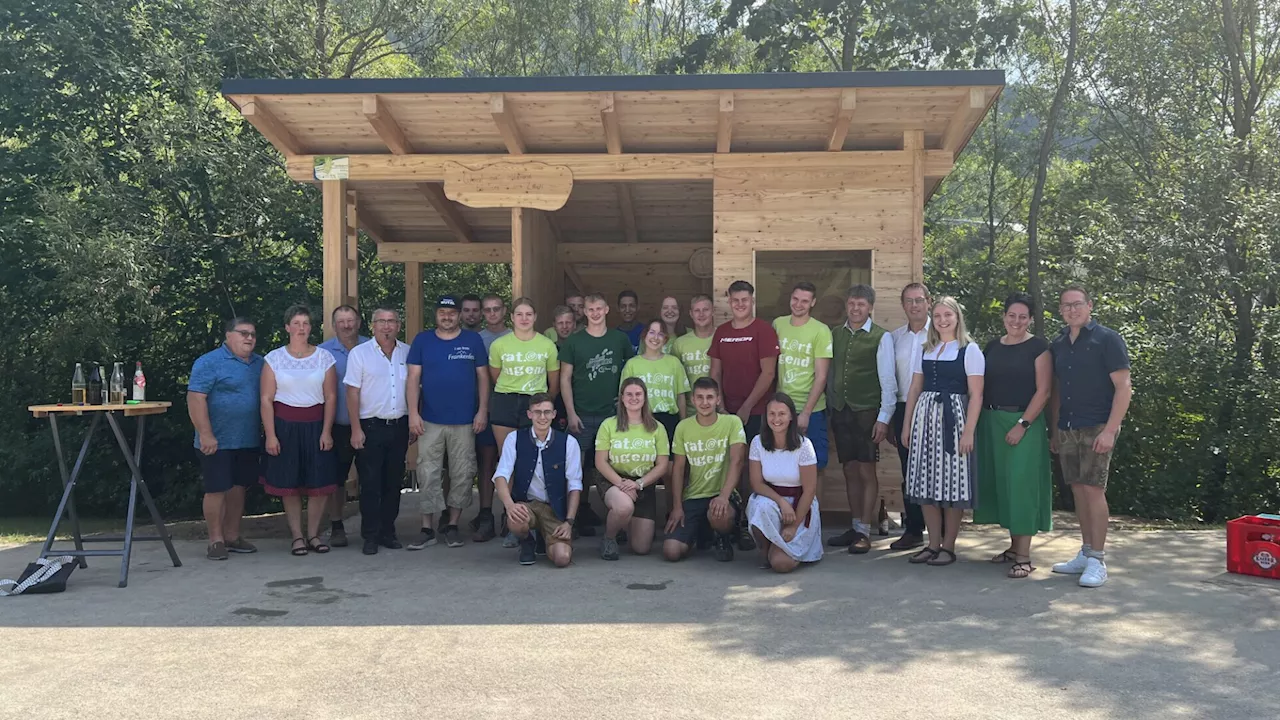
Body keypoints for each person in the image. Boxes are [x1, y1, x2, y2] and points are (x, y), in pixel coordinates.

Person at [1048, 286, 1131, 588]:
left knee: (1094, 489)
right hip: (1068, 426)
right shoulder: (1058, 343)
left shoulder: (1107, 339)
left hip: (1097, 425)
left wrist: (1110, 430)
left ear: (1089, 306)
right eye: (1066, 305)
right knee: (1079, 490)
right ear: (1060, 310)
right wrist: (1055, 428)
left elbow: (1124, 388)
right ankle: (1085, 552)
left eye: (1077, 304)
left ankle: (1098, 559)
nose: (1072, 310)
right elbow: (1056, 389)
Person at [900, 296, 985, 567]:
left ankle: (948, 546)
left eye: (947, 315)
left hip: (954, 419)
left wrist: (969, 431)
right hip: (925, 418)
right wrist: (907, 425)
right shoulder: (926, 348)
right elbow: (914, 389)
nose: (942, 320)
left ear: (957, 317)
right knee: (925, 480)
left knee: (951, 483)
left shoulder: (969, 349)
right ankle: (933, 544)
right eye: (937, 316)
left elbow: (976, 394)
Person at [975, 293, 1053, 579]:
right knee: (1003, 485)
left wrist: (1023, 424)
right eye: (1012, 315)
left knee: (1021, 486)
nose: (1016, 321)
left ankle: (1023, 556)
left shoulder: (1039, 347)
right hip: (991, 421)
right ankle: (1012, 547)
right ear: (1004, 316)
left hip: (1024, 424)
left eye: (1023, 316)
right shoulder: (992, 346)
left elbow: (1043, 391)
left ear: (1030, 319)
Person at [407, 295, 489, 550]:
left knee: (462, 473)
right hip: (430, 420)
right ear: (436, 315)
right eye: (442, 312)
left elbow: (483, 378)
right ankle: (427, 528)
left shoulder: (472, 340)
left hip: (465, 420)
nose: (447, 316)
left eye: (452, 313)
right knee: (428, 472)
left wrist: (482, 411)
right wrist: (413, 413)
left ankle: (453, 525)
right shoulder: (422, 340)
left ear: (459, 316)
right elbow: (412, 378)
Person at [260, 305, 339, 556]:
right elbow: (265, 399)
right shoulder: (274, 359)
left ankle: (314, 534)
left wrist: (326, 431)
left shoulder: (324, 357)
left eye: (305, 323)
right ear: (287, 327)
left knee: (318, 483)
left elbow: (331, 396)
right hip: (285, 427)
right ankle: (297, 536)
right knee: (289, 484)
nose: (301, 328)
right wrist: (271, 435)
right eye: (296, 323)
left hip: (316, 425)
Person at [826, 284, 897, 554]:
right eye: (852, 304)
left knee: (867, 470)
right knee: (849, 469)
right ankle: (855, 526)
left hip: (868, 412)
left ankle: (865, 530)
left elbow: (888, 381)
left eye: (861, 305)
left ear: (870, 308)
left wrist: (884, 418)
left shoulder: (881, 337)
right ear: (847, 305)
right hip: (842, 411)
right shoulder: (835, 334)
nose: (856, 309)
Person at [709, 280, 779, 551]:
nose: (740, 304)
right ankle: (727, 524)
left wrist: (748, 406)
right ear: (729, 301)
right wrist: (721, 406)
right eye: (735, 300)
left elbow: (769, 373)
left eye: (744, 300)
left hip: (757, 412)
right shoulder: (722, 332)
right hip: (726, 412)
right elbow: (715, 372)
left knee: (753, 470)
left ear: (752, 300)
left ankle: (754, 525)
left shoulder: (763, 330)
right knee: (728, 467)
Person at [188, 317, 264, 561]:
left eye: (252, 334)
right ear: (228, 336)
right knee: (216, 488)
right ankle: (215, 541)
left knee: (239, 487)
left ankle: (232, 536)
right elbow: (195, 398)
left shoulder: (260, 364)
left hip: (247, 438)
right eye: (243, 333)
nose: (249, 338)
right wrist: (206, 433)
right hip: (216, 440)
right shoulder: (209, 362)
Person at [559, 293, 634, 536]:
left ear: (607, 310)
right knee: (576, 468)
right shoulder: (574, 341)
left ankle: (620, 516)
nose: (594, 313)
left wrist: (622, 397)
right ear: (585, 312)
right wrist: (570, 413)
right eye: (590, 309)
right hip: (580, 414)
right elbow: (565, 379)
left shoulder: (618, 339)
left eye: (599, 308)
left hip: (611, 416)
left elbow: (630, 371)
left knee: (615, 466)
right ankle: (574, 515)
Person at [344, 307, 411, 556]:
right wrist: (355, 429)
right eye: (381, 322)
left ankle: (388, 531)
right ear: (372, 326)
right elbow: (352, 392)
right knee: (370, 483)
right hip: (370, 426)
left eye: (391, 321)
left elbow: (415, 389)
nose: (386, 326)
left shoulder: (407, 352)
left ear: (398, 325)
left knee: (393, 483)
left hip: (399, 425)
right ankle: (370, 535)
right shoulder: (359, 354)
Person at [491, 393, 582, 567]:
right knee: (516, 520)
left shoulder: (568, 443)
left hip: (554, 510)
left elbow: (575, 485)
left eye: (547, 412)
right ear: (529, 414)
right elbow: (501, 476)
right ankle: (527, 541)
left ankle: (544, 537)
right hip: (528, 505)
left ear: (554, 414)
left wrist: (569, 522)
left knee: (562, 559)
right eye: (537, 412)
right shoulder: (514, 439)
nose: (542, 417)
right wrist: (510, 505)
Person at [664, 378, 745, 563]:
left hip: (722, 495)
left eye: (710, 397)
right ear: (692, 399)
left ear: (718, 400)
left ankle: (722, 537)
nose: (705, 402)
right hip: (693, 496)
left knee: (719, 514)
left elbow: (737, 461)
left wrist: (724, 496)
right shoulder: (683, 427)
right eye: (700, 397)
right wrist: (676, 507)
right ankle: (700, 533)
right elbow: (678, 469)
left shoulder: (732, 422)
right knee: (671, 551)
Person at [595, 378, 670, 560]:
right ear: (621, 398)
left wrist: (638, 484)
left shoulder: (657, 428)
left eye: (638, 394)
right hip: (614, 478)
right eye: (629, 394)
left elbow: (662, 465)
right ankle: (609, 537)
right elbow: (600, 462)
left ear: (645, 398)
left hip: (643, 482)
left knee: (641, 548)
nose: (633, 398)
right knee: (623, 506)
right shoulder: (608, 425)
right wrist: (622, 484)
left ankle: (623, 524)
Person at [747, 393, 823, 573]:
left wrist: (794, 525)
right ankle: (766, 548)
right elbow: (757, 483)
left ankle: (783, 550)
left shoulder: (804, 445)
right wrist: (781, 502)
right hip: (772, 501)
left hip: (800, 505)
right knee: (760, 505)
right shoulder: (758, 442)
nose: (776, 419)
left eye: (782, 414)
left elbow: (810, 489)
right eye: (771, 414)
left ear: (791, 417)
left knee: (781, 565)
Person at [318, 305, 369, 548]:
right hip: (338, 425)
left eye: (351, 321)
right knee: (335, 479)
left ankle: (372, 526)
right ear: (334, 324)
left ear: (359, 323)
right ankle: (337, 525)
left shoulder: (373, 347)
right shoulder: (322, 353)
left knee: (372, 478)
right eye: (342, 321)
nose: (347, 325)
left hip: (371, 424)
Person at [887, 283, 931, 551]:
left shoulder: (941, 334)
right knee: (909, 471)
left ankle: (941, 534)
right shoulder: (894, 338)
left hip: (933, 407)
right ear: (903, 305)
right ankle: (914, 529)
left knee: (936, 470)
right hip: (903, 408)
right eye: (909, 301)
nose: (914, 305)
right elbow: (889, 379)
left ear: (929, 301)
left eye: (919, 300)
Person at [772, 281, 833, 469]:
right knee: (782, 463)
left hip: (811, 410)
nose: (798, 305)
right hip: (782, 408)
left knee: (815, 466)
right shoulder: (778, 324)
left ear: (813, 303)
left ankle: (814, 501)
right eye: (795, 299)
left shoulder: (821, 330)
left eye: (804, 301)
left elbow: (821, 376)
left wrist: (806, 412)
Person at [489, 297, 560, 450]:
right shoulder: (498, 345)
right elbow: (495, 376)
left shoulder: (547, 345)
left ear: (535, 317)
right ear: (512, 317)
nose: (524, 318)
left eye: (528, 314)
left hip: (535, 400)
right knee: (506, 454)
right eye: (519, 314)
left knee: (532, 454)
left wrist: (543, 402)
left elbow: (554, 383)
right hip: (505, 400)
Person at [473, 293, 512, 542]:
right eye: (487, 310)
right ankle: (485, 514)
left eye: (496, 309)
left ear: (504, 310)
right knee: (486, 462)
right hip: (485, 408)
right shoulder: (476, 340)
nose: (492, 314)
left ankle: (511, 514)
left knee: (511, 461)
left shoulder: (515, 337)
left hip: (510, 407)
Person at [620, 320, 690, 444]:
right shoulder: (632, 364)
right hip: (640, 418)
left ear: (665, 339)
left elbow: (681, 396)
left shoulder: (674, 363)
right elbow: (624, 397)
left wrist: (683, 425)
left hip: (668, 419)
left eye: (660, 334)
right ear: (644, 335)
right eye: (652, 332)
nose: (655, 338)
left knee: (669, 460)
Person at [671, 294, 715, 384]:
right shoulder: (680, 343)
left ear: (713, 311)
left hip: (716, 397)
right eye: (697, 310)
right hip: (689, 397)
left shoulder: (721, 338)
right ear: (691, 314)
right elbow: (674, 376)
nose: (701, 314)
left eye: (705, 310)